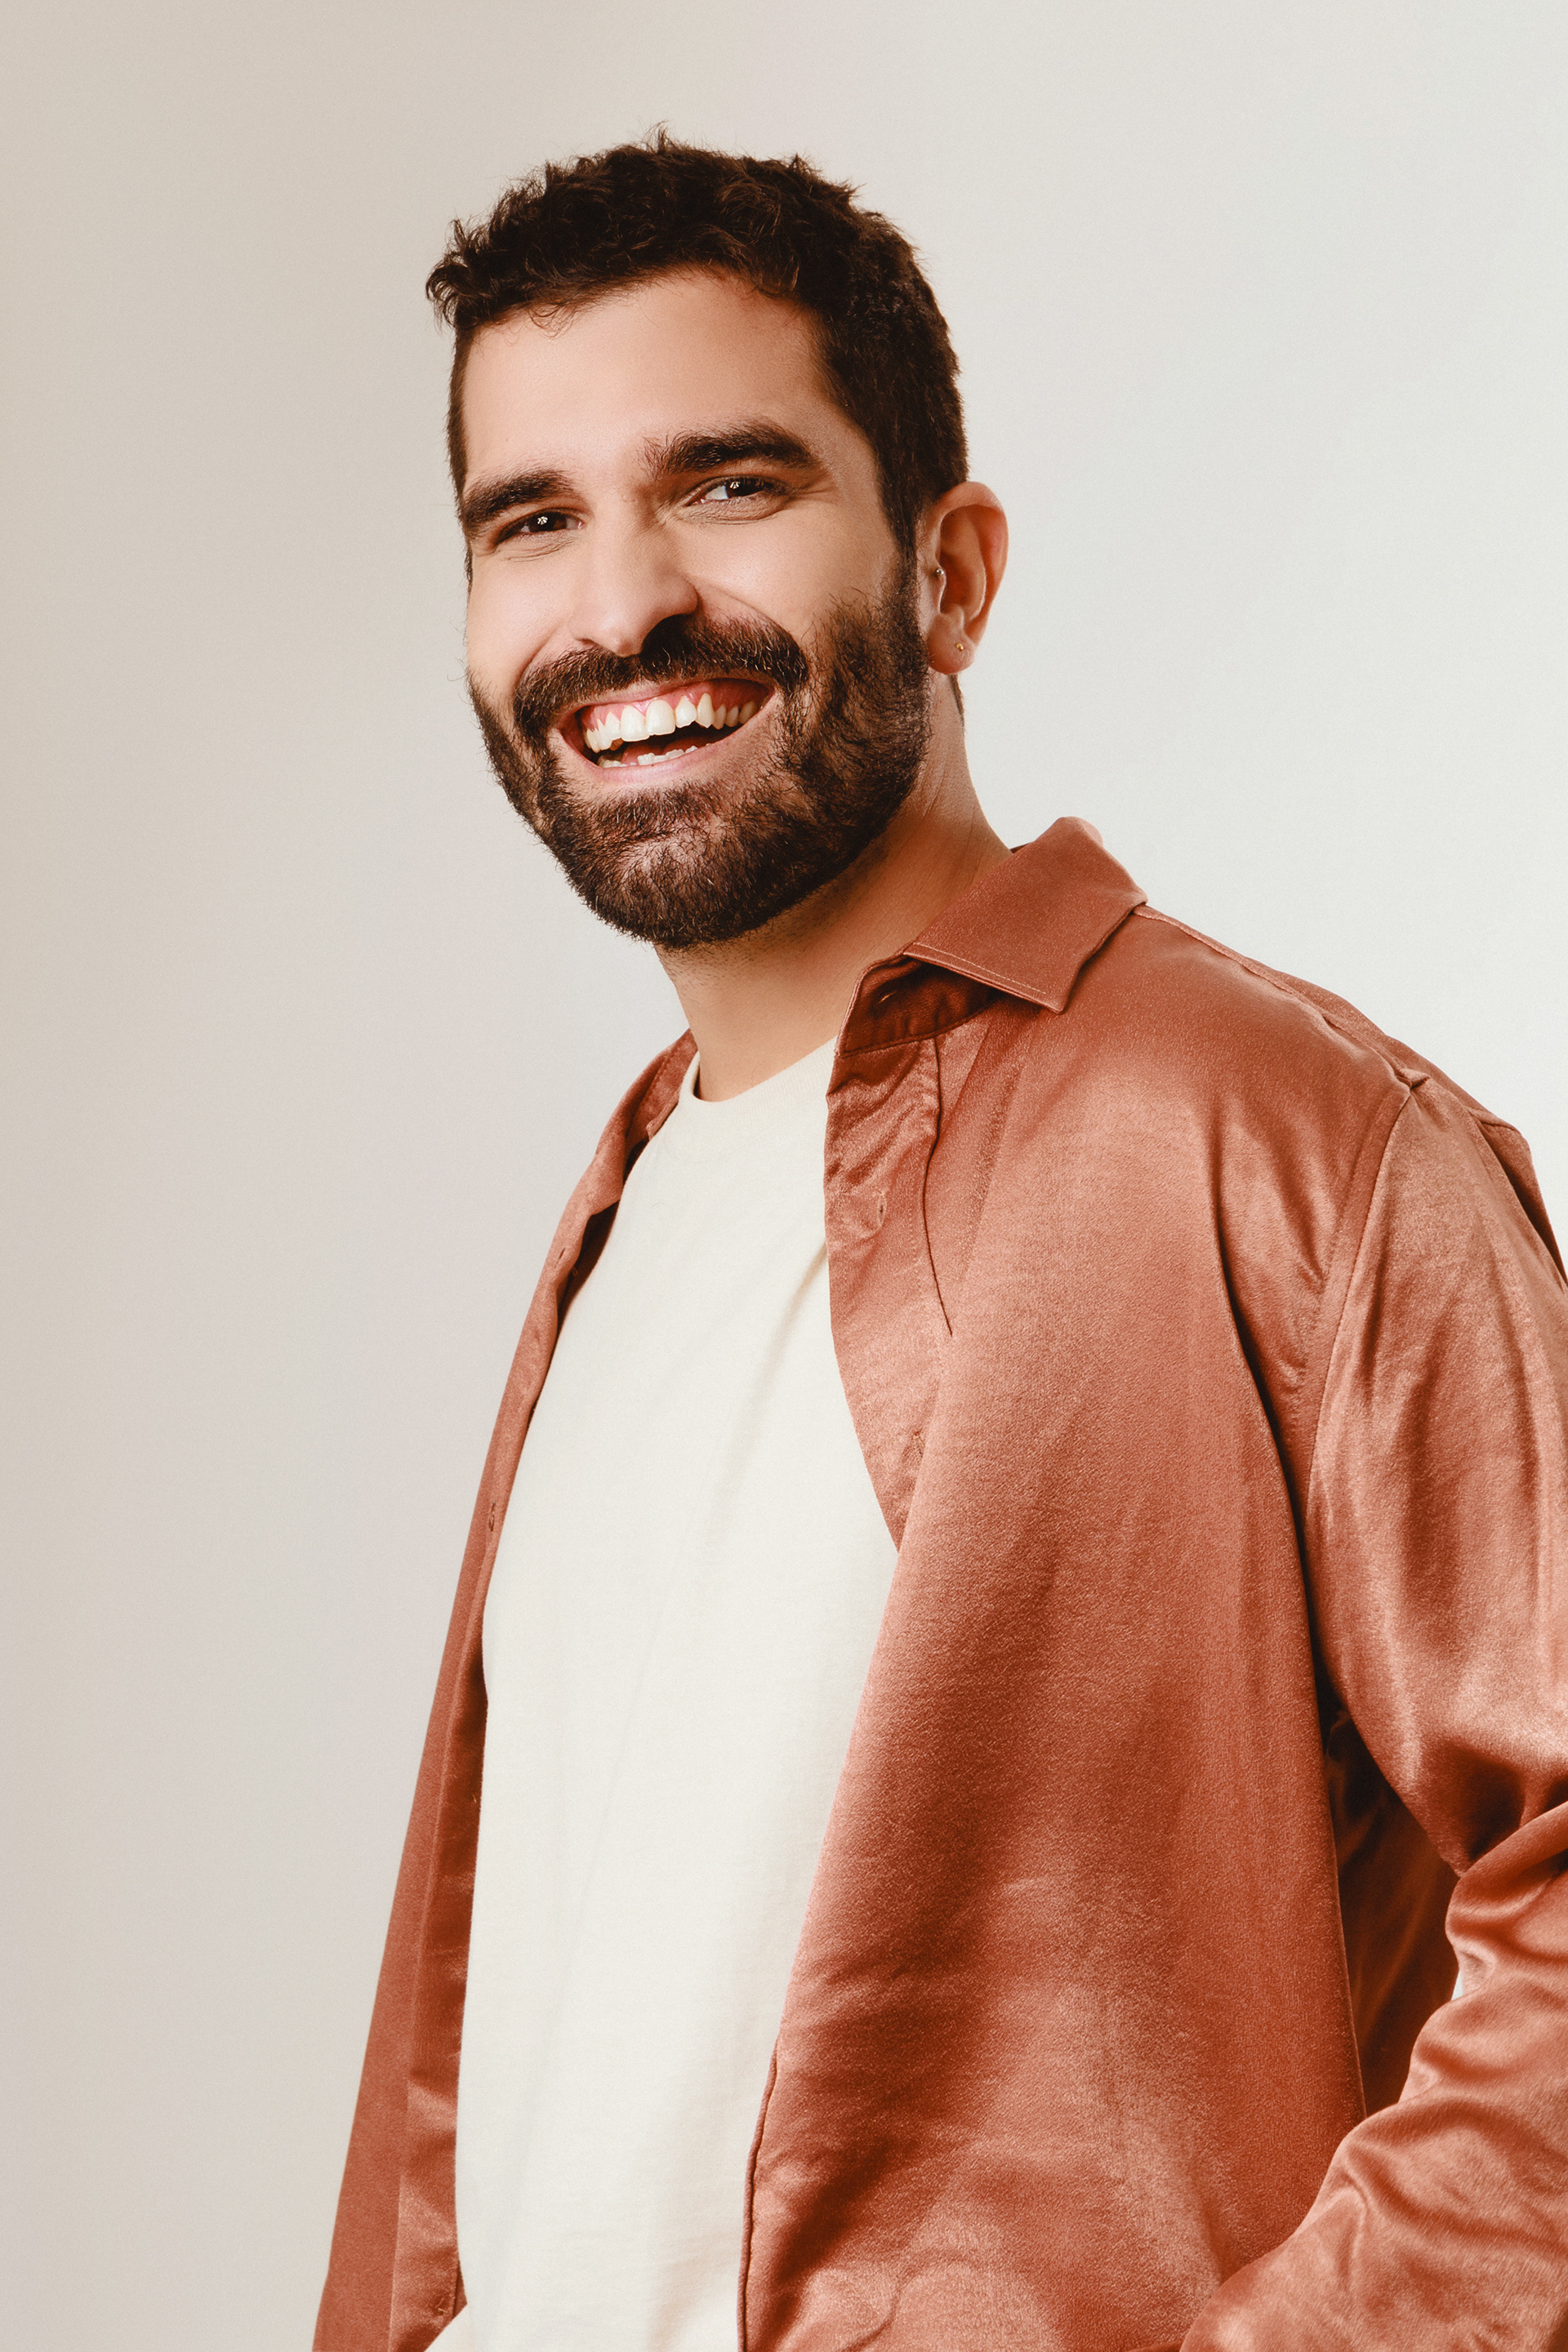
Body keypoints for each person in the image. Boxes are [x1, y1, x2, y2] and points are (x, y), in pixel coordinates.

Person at [315, 136, 1568, 2352]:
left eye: (727, 484)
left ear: (952, 571)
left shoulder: (1278, 1136)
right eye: (531, 522)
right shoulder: (624, 1212)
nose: (618, 605)